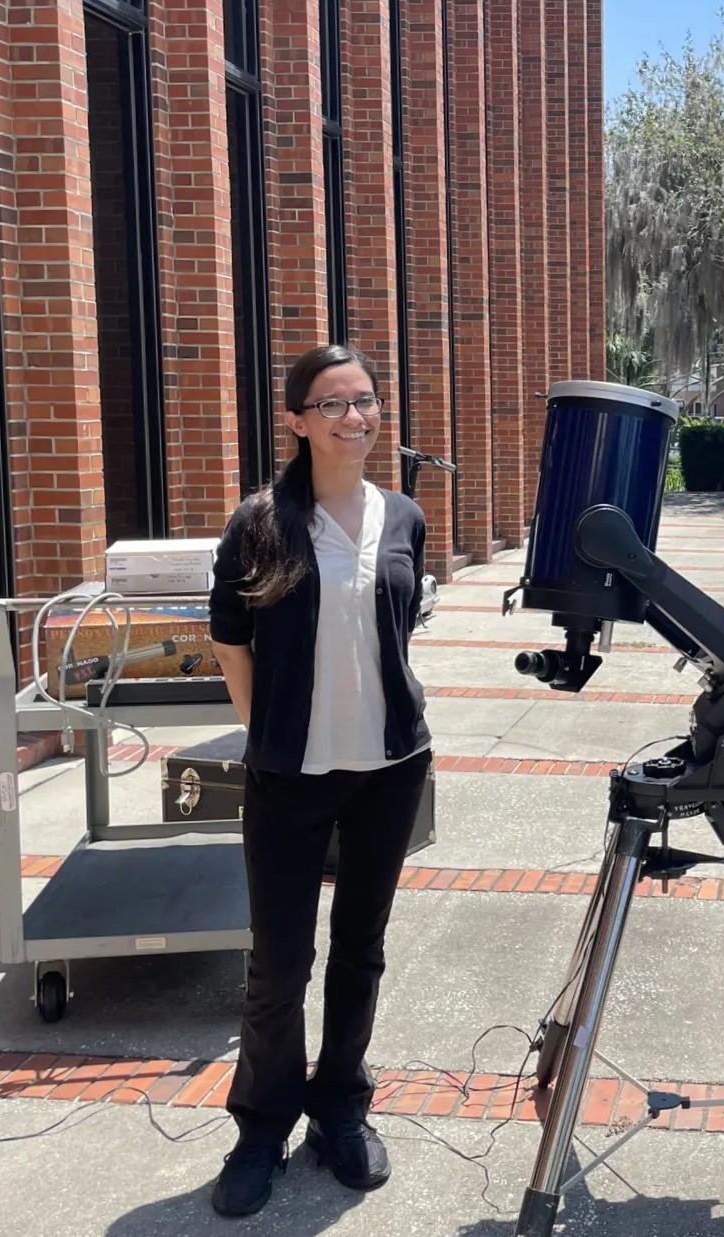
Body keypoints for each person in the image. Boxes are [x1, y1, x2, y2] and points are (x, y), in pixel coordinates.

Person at [206, 343, 435, 1217]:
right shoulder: (260, 521)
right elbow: (230, 634)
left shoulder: (404, 516)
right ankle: (260, 1127)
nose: (355, 417)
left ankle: (340, 1108)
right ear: (297, 420)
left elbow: (397, 633)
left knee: (361, 948)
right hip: (289, 775)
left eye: (367, 400)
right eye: (333, 403)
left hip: (389, 768)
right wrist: (271, 725)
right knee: (279, 960)